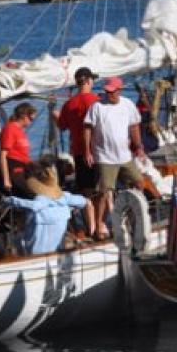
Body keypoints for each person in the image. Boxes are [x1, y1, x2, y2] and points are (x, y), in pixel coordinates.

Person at [82, 77, 143, 240]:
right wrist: (87, 151)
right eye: (107, 91)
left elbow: (134, 125)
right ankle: (99, 226)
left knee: (139, 182)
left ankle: (134, 215)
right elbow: (87, 127)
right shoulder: (97, 107)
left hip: (124, 155)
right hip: (105, 157)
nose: (109, 94)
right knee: (103, 192)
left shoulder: (127, 105)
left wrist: (138, 146)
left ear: (119, 90)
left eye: (112, 91)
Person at [3, 165, 89, 254]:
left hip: (36, 254)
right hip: (57, 252)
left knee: (14, 240)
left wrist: (9, 200)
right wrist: (72, 208)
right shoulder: (65, 197)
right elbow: (84, 201)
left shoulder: (39, 201)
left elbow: (35, 206)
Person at [55, 67, 100, 237]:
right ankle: (102, 226)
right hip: (97, 152)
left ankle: (91, 228)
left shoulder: (69, 104)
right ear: (89, 81)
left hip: (80, 154)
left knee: (86, 193)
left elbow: (62, 126)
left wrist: (55, 115)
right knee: (102, 191)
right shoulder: (97, 101)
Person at [0, 103, 37, 197]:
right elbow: (3, 155)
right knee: (33, 196)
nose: (31, 122)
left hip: (24, 169)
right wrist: (6, 179)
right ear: (24, 116)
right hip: (15, 170)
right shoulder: (10, 129)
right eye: (31, 119)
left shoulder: (20, 131)